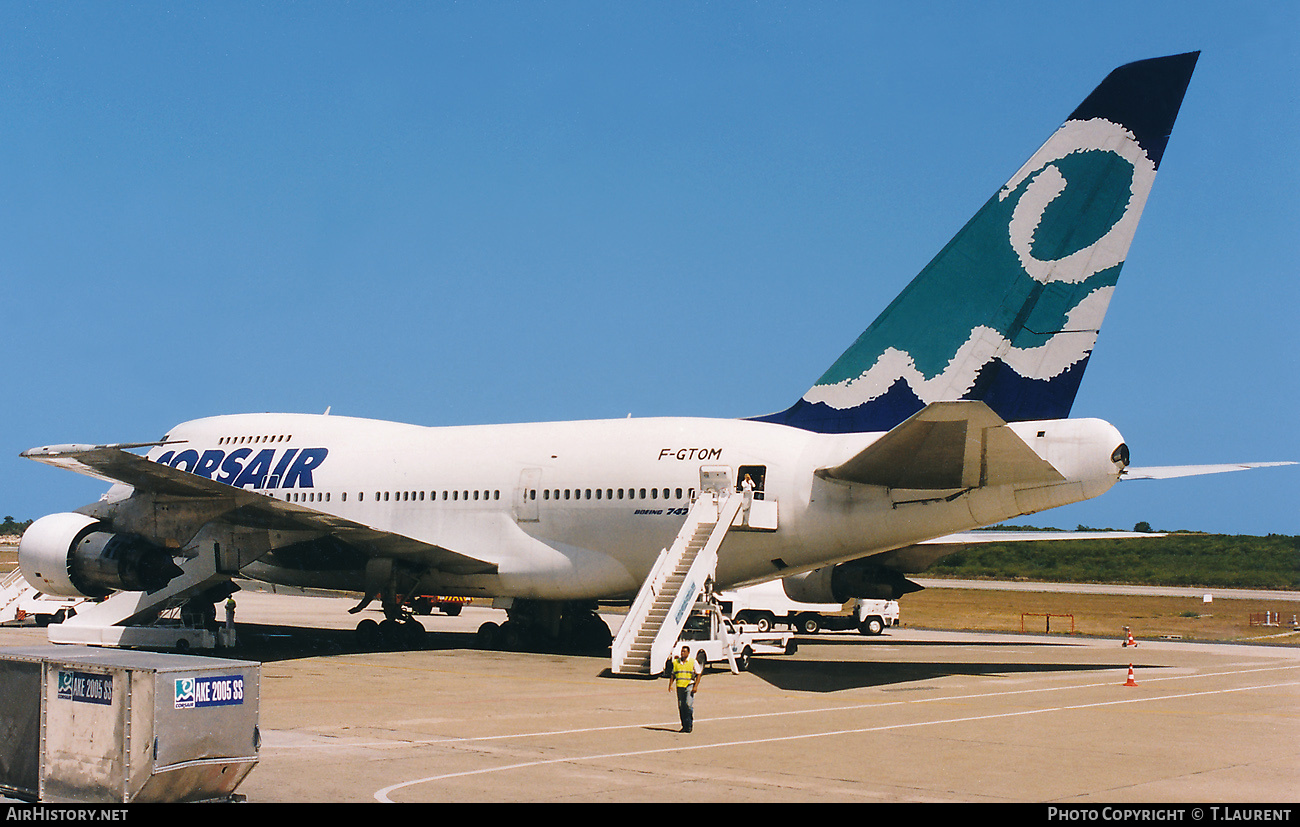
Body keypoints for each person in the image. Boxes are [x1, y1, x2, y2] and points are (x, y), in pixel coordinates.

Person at [668, 644, 703, 733]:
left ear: (688, 653)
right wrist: (670, 684)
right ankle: (684, 725)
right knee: (681, 706)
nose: (682, 653)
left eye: (684, 651)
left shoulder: (692, 662)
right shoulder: (676, 662)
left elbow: (698, 674)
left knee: (688, 705)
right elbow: (673, 674)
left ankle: (689, 724)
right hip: (679, 686)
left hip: (689, 685)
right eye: (682, 651)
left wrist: (695, 686)